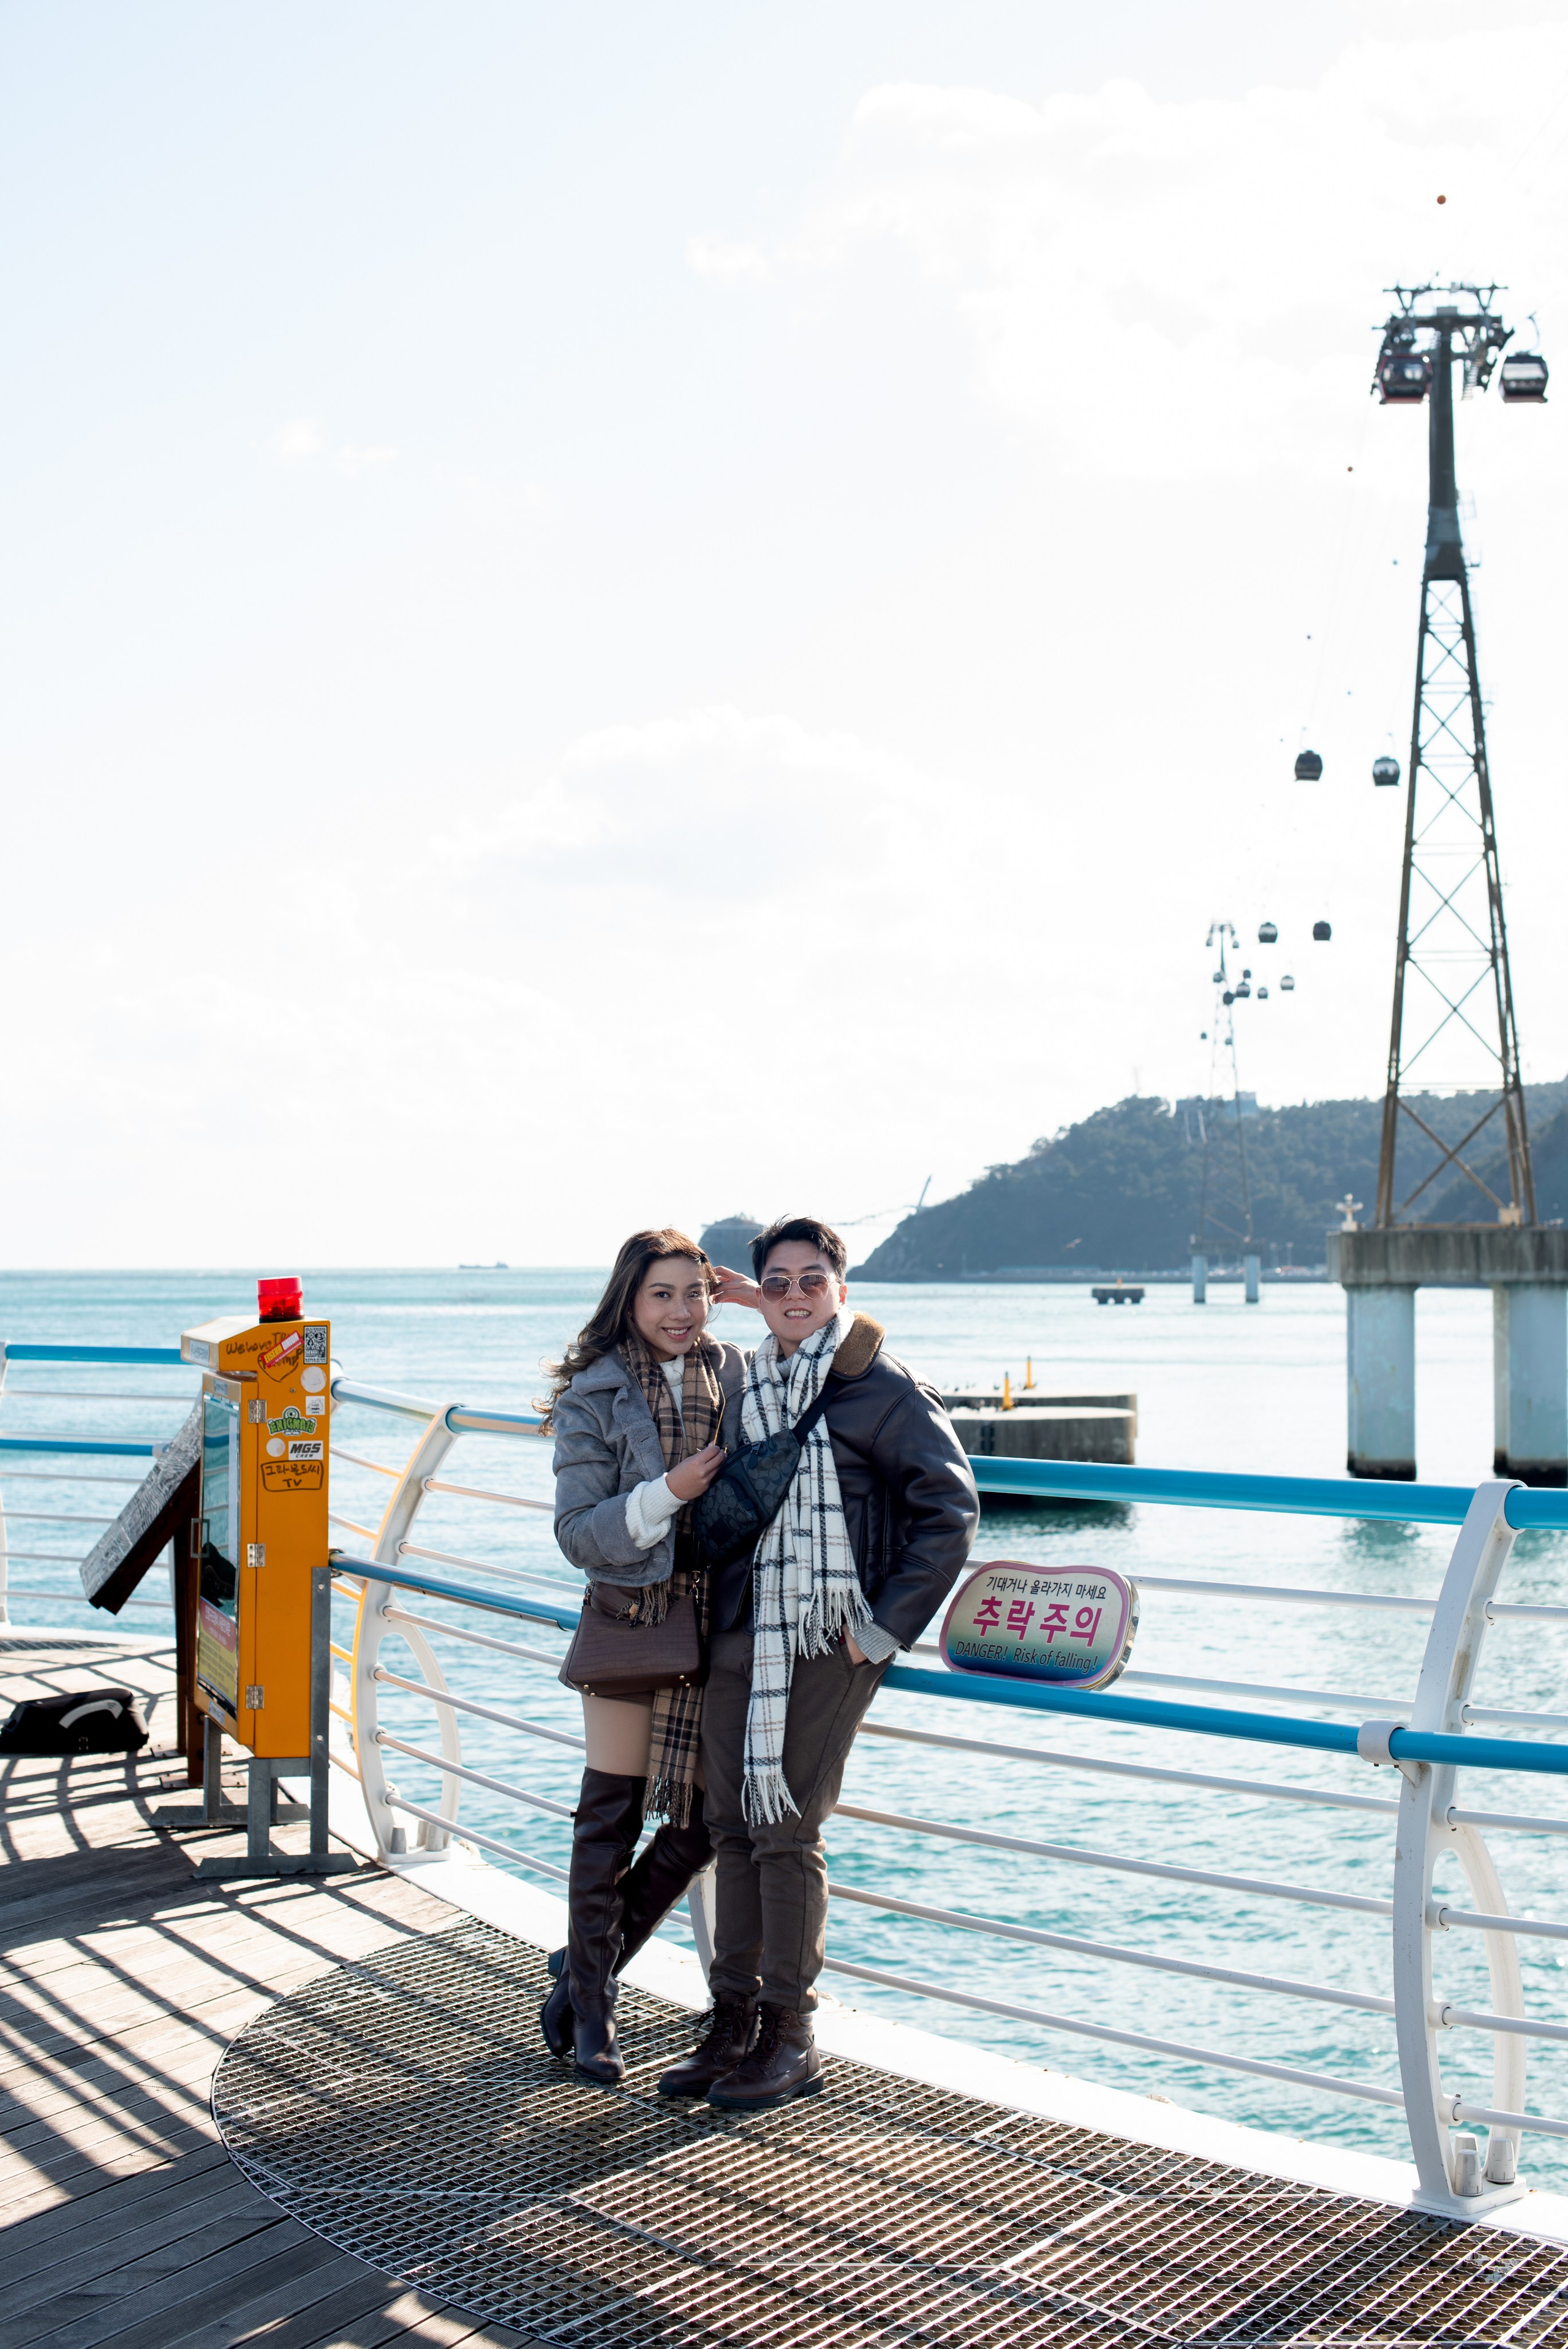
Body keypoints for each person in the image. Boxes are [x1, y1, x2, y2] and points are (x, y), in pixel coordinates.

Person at [658, 1213, 979, 2111]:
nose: (796, 1295)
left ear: (842, 1288)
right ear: (762, 1291)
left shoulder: (880, 1387)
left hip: (829, 1635)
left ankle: (788, 2033)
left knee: (786, 1829)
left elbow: (949, 1513)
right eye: (779, 1281)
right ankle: (730, 2020)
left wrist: (882, 1630)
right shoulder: (753, 1380)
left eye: (813, 1280)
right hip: (740, 1625)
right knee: (729, 1824)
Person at [543, 1228, 755, 2084]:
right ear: (629, 1299)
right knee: (612, 1816)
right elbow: (577, 1533)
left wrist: (751, 1301)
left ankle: (580, 1975)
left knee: (704, 1823)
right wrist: (670, 1495)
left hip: (722, 1626)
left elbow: (837, 1370)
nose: (680, 1311)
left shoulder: (739, 1372)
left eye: (695, 1293)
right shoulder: (592, 1396)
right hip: (633, 1620)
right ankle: (594, 2008)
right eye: (661, 1293)